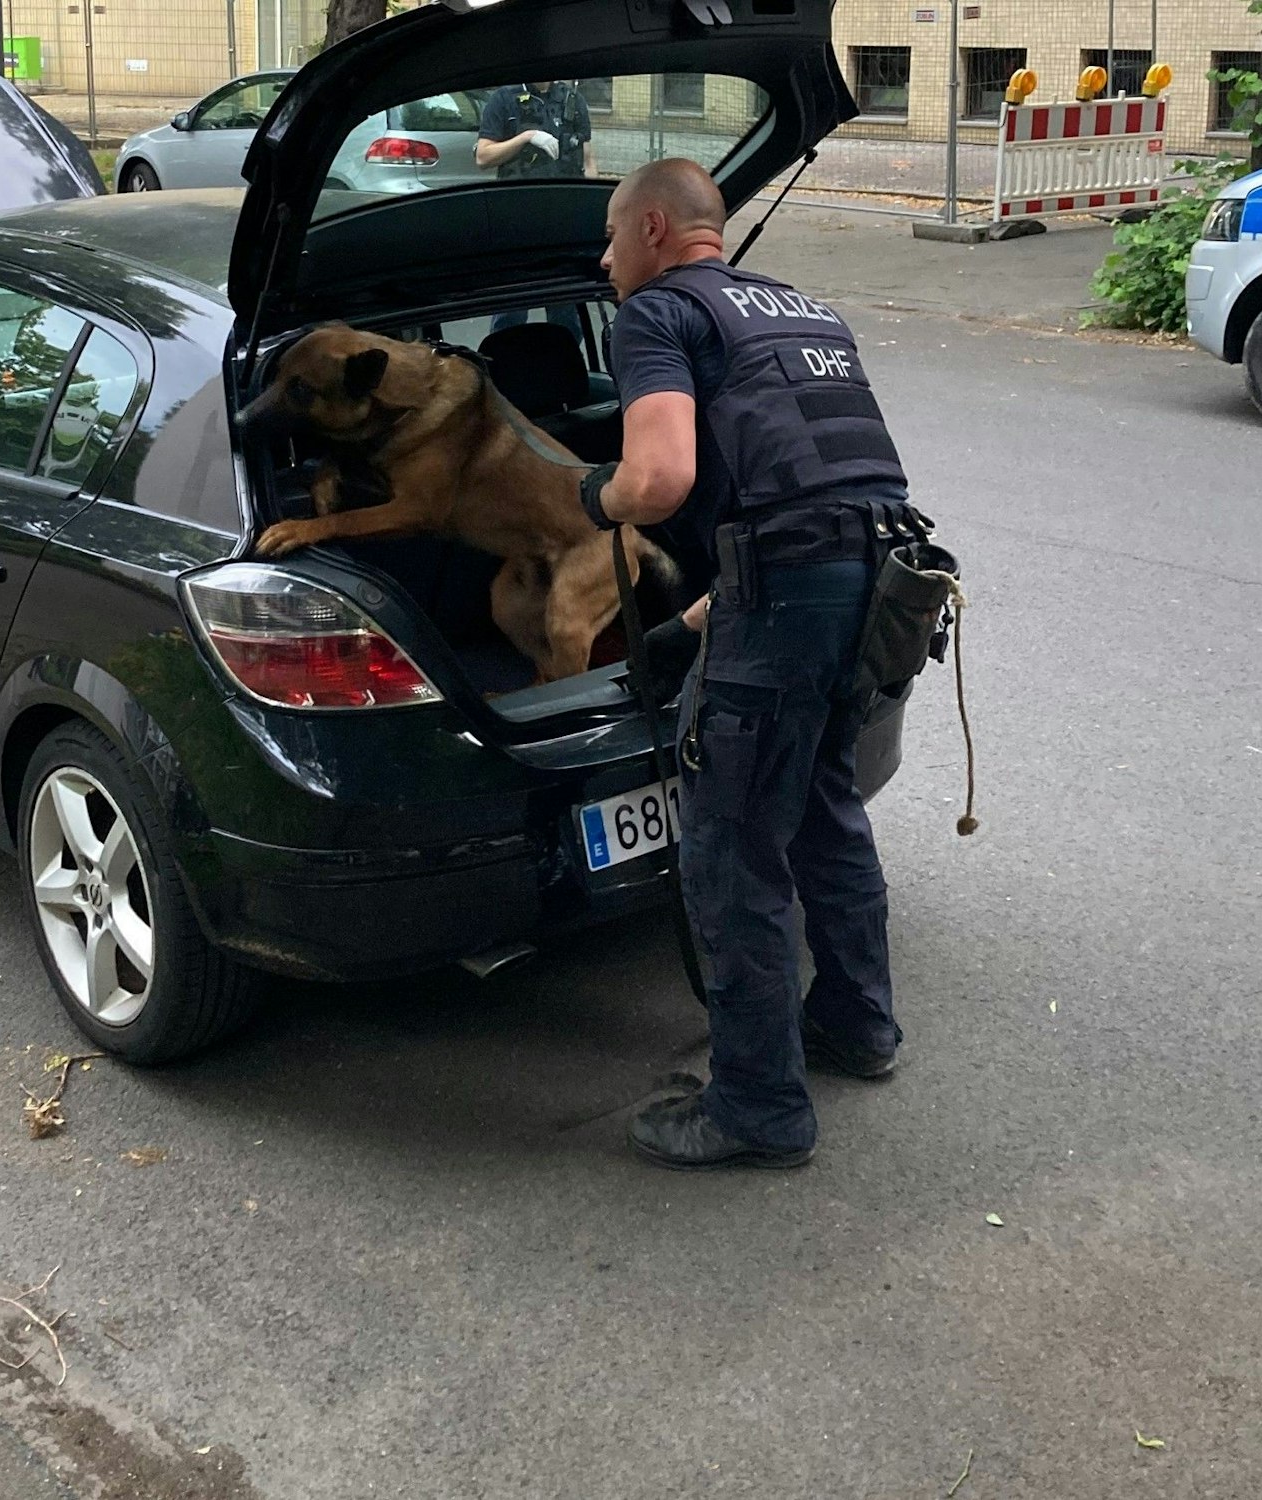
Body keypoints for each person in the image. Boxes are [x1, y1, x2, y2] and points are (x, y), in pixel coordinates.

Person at [579, 158, 911, 1172]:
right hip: (877, 575)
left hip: (792, 590)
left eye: (606, 239)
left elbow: (660, 475)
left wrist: (597, 497)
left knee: (729, 852)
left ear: (648, 228)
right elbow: (812, 489)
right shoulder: (804, 312)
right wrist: (695, 620)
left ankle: (756, 1105)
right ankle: (856, 1028)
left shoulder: (657, 315)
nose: (601, 262)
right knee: (820, 807)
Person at [476, 81, 598, 333]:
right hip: (517, 222)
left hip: (563, 223)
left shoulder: (572, 100)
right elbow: (483, 156)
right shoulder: (503, 98)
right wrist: (526, 137)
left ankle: (563, 366)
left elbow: (588, 160)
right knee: (511, 310)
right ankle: (503, 365)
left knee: (565, 314)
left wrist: (593, 209)